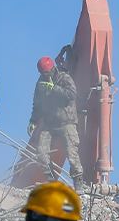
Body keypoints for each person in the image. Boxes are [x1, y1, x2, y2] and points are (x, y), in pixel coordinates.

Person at [28, 56, 83, 189]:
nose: (44, 75)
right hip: (49, 123)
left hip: (66, 122)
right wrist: (33, 121)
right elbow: (38, 104)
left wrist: (54, 89)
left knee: (72, 154)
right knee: (41, 151)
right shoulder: (41, 83)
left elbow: (71, 94)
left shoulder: (64, 78)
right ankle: (51, 180)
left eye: (46, 72)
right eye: (42, 73)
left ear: (52, 69)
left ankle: (78, 183)